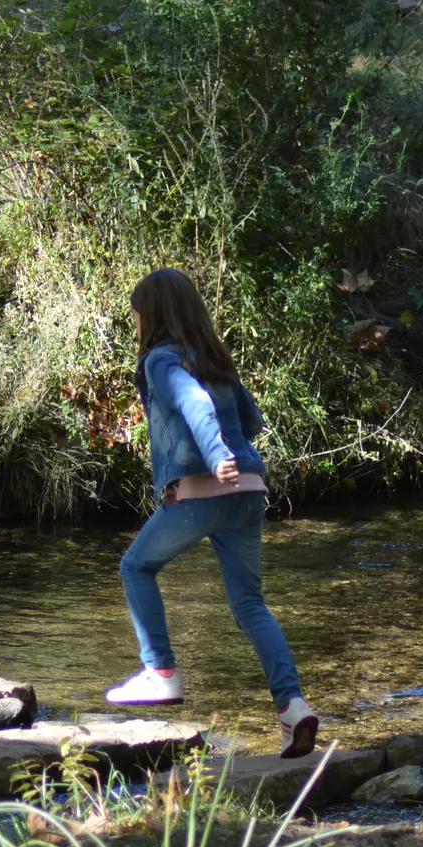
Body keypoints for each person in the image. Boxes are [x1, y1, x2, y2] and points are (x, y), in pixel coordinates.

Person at [104, 268, 318, 759]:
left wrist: (214, 453)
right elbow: (252, 420)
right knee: (249, 605)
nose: (135, 323)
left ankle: (160, 673)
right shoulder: (217, 360)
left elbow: (191, 401)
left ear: (153, 314)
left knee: (136, 566)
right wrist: (230, 453)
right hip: (248, 492)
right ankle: (292, 707)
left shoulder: (162, 358)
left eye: (137, 314)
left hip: (207, 492)